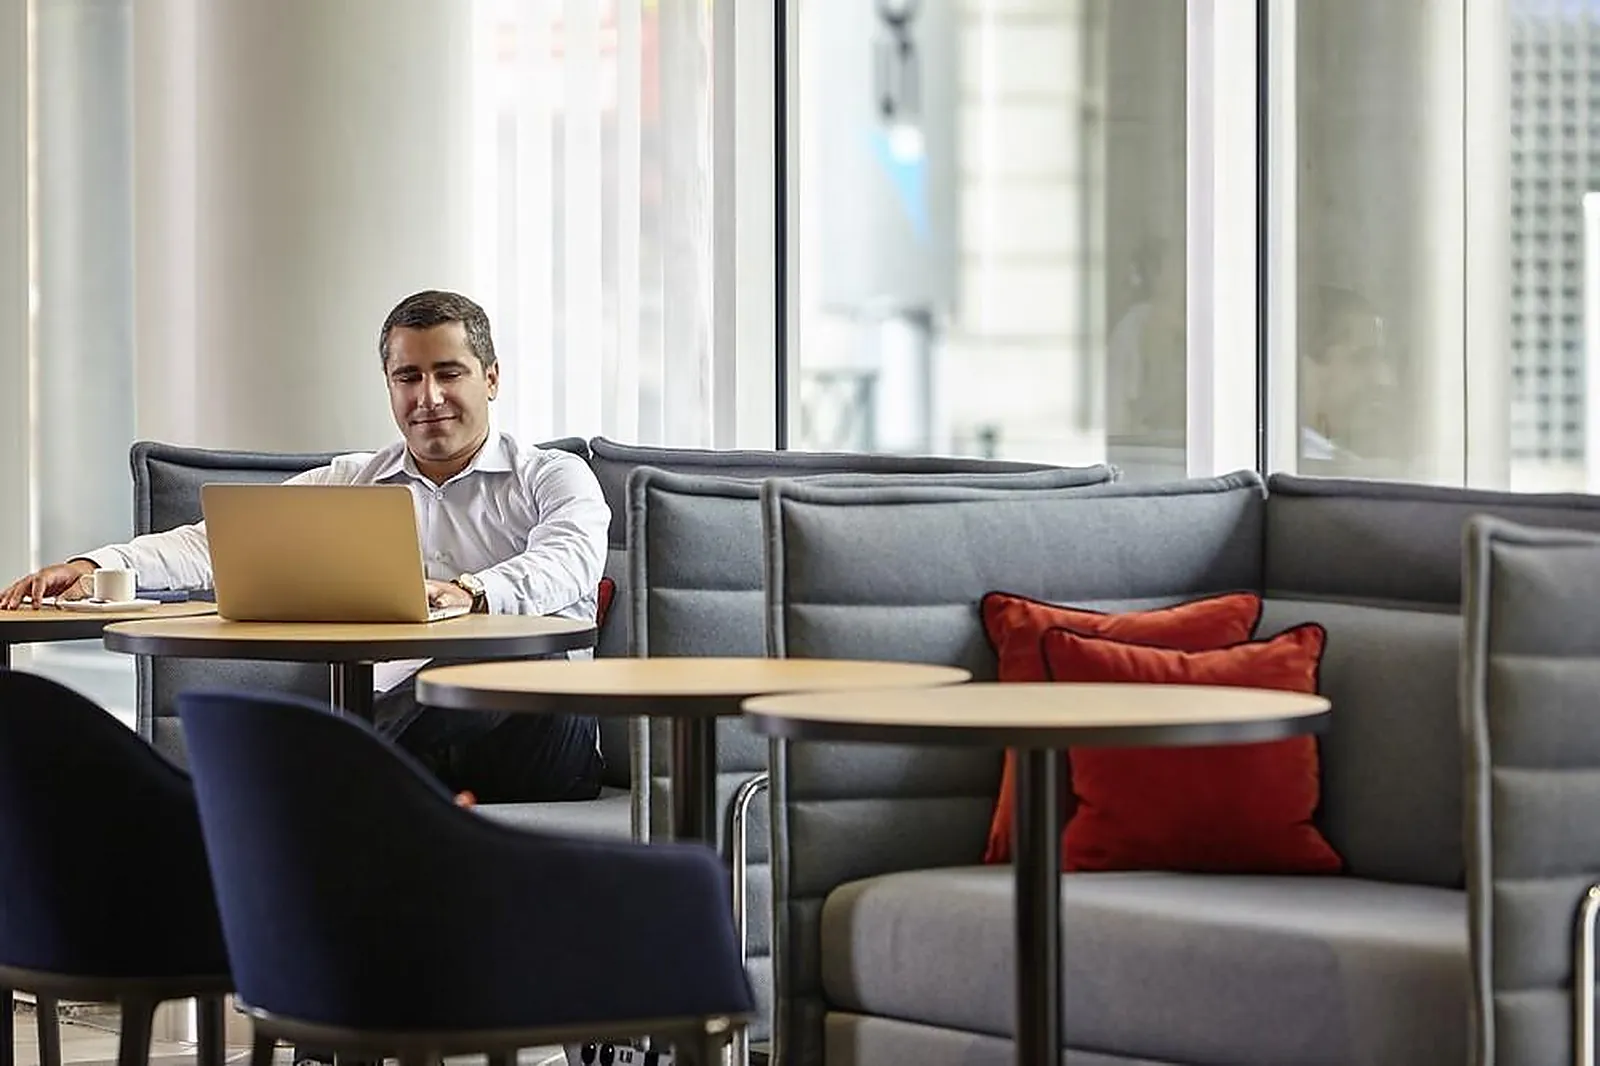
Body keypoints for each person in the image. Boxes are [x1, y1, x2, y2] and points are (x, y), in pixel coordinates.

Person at [0, 289, 611, 804]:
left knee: (501, 669)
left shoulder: (551, 476)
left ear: (492, 378)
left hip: (537, 732)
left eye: (449, 373)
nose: (428, 397)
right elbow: (213, 547)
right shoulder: (351, 482)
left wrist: (469, 592)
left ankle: (302, 791)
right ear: (389, 385)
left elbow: (568, 559)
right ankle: (364, 792)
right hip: (397, 725)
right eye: (408, 377)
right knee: (370, 715)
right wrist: (97, 565)